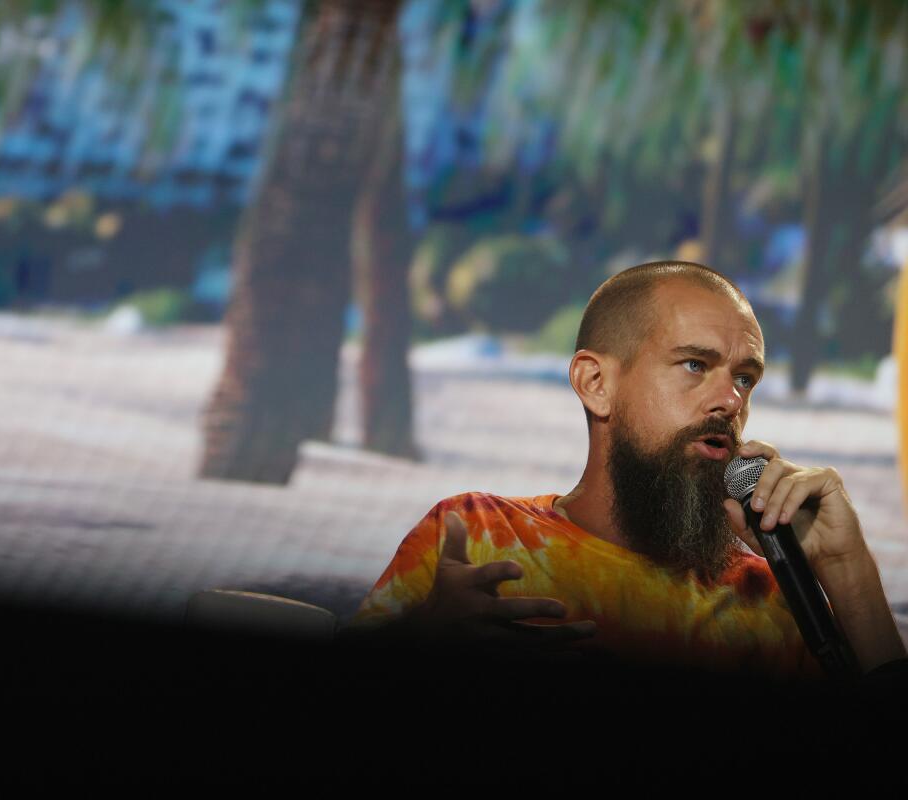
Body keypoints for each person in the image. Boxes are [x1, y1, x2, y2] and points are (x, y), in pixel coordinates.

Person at [344, 260, 907, 683]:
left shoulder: (769, 599)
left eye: (744, 378)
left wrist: (845, 566)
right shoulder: (479, 536)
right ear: (596, 384)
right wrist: (418, 640)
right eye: (695, 364)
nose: (731, 402)